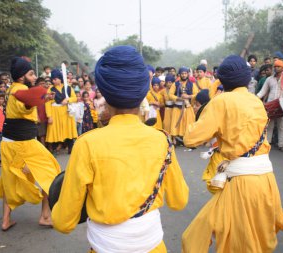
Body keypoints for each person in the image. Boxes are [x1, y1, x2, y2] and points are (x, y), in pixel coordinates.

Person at [51, 45, 189, 253]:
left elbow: (63, 222)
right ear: (143, 90)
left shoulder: (87, 144)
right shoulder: (162, 140)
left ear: (104, 92)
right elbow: (179, 200)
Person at [181, 55, 283, 253]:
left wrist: (199, 111)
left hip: (241, 184)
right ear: (247, 79)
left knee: (237, 242)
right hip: (266, 181)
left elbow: (190, 139)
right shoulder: (256, 102)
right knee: (259, 239)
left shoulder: (221, 102)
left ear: (221, 80)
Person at [0, 57, 61, 231]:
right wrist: (34, 100)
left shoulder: (12, 89)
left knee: (9, 179)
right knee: (52, 173)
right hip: (24, 143)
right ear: (22, 77)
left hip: (8, 142)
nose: (34, 76)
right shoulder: (21, 90)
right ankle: (45, 216)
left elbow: (26, 104)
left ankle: (6, 220)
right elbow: (26, 106)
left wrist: (42, 97)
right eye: (31, 74)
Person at [257, 59, 283, 151]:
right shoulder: (269, 79)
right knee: (269, 125)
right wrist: (256, 98)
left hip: (282, 105)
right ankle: (267, 144)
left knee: (281, 125)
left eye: (278, 66)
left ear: (282, 68)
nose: (276, 68)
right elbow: (262, 92)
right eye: (275, 66)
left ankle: (281, 144)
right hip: (271, 104)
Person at [45, 69, 78, 154]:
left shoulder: (68, 87)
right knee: (54, 129)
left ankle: (71, 147)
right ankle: (55, 148)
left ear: (60, 78)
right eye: (52, 79)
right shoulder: (50, 89)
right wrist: (49, 116)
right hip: (55, 112)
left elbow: (75, 98)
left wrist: (67, 100)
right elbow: (47, 103)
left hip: (66, 111)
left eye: (55, 79)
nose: (53, 81)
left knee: (68, 129)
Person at [169, 67, 199, 145]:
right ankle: (174, 140)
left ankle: (188, 140)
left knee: (189, 123)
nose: (184, 75)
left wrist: (188, 97)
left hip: (188, 107)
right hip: (177, 107)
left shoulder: (192, 84)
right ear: (179, 75)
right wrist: (179, 98)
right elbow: (170, 95)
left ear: (188, 74)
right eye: (182, 74)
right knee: (176, 123)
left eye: (185, 73)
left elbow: (196, 94)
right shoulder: (175, 84)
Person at [35, 77, 49, 146]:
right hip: (39, 116)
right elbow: (34, 106)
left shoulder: (46, 92)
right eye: (40, 84)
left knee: (47, 134)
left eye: (43, 83)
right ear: (37, 85)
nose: (42, 85)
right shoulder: (35, 93)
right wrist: (37, 117)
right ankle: (43, 150)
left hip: (46, 116)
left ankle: (49, 149)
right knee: (41, 135)